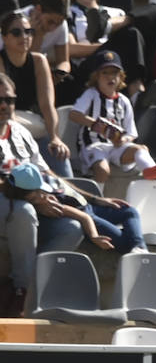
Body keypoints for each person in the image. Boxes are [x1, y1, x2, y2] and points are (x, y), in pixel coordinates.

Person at [0, 72, 81, 307]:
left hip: (29, 198)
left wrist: (45, 194)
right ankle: (21, 292)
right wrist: (31, 196)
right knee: (23, 211)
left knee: (71, 229)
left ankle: (31, 284)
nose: (5, 105)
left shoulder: (21, 132)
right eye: (0, 100)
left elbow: (44, 171)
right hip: (10, 199)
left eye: (10, 100)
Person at [69, 50, 156, 182]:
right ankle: (99, 199)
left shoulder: (124, 101)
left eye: (115, 73)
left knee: (141, 149)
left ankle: (152, 171)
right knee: (103, 169)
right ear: (96, 76)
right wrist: (94, 124)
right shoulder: (91, 94)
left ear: (121, 76)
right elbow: (74, 114)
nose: (110, 77)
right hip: (93, 146)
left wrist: (123, 140)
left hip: (116, 147)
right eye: (105, 73)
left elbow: (131, 132)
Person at [8, 159, 145, 253]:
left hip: (90, 207)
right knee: (125, 243)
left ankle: (139, 247)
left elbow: (71, 190)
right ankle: (139, 251)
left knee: (129, 210)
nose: (42, 196)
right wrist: (94, 236)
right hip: (89, 220)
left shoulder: (46, 180)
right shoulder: (49, 204)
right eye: (34, 197)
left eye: (41, 190)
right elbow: (84, 217)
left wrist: (97, 199)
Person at [63, 0, 156, 107]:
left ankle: (105, 26)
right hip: (90, 66)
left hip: (121, 67)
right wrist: (113, 45)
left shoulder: (117, 13)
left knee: (154, 12)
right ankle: (136, 92)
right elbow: (71, 49)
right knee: (130, 35)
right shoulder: (68, 13)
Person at [1, 10, 67, 170]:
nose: (24, 36)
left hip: (34, 124)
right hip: (8, 124)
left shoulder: (39, 60)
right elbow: (3, 107)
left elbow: (47, 105)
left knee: (59, 153)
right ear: (4, 37)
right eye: (16, 32)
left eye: (28, 31)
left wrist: (55, 138)